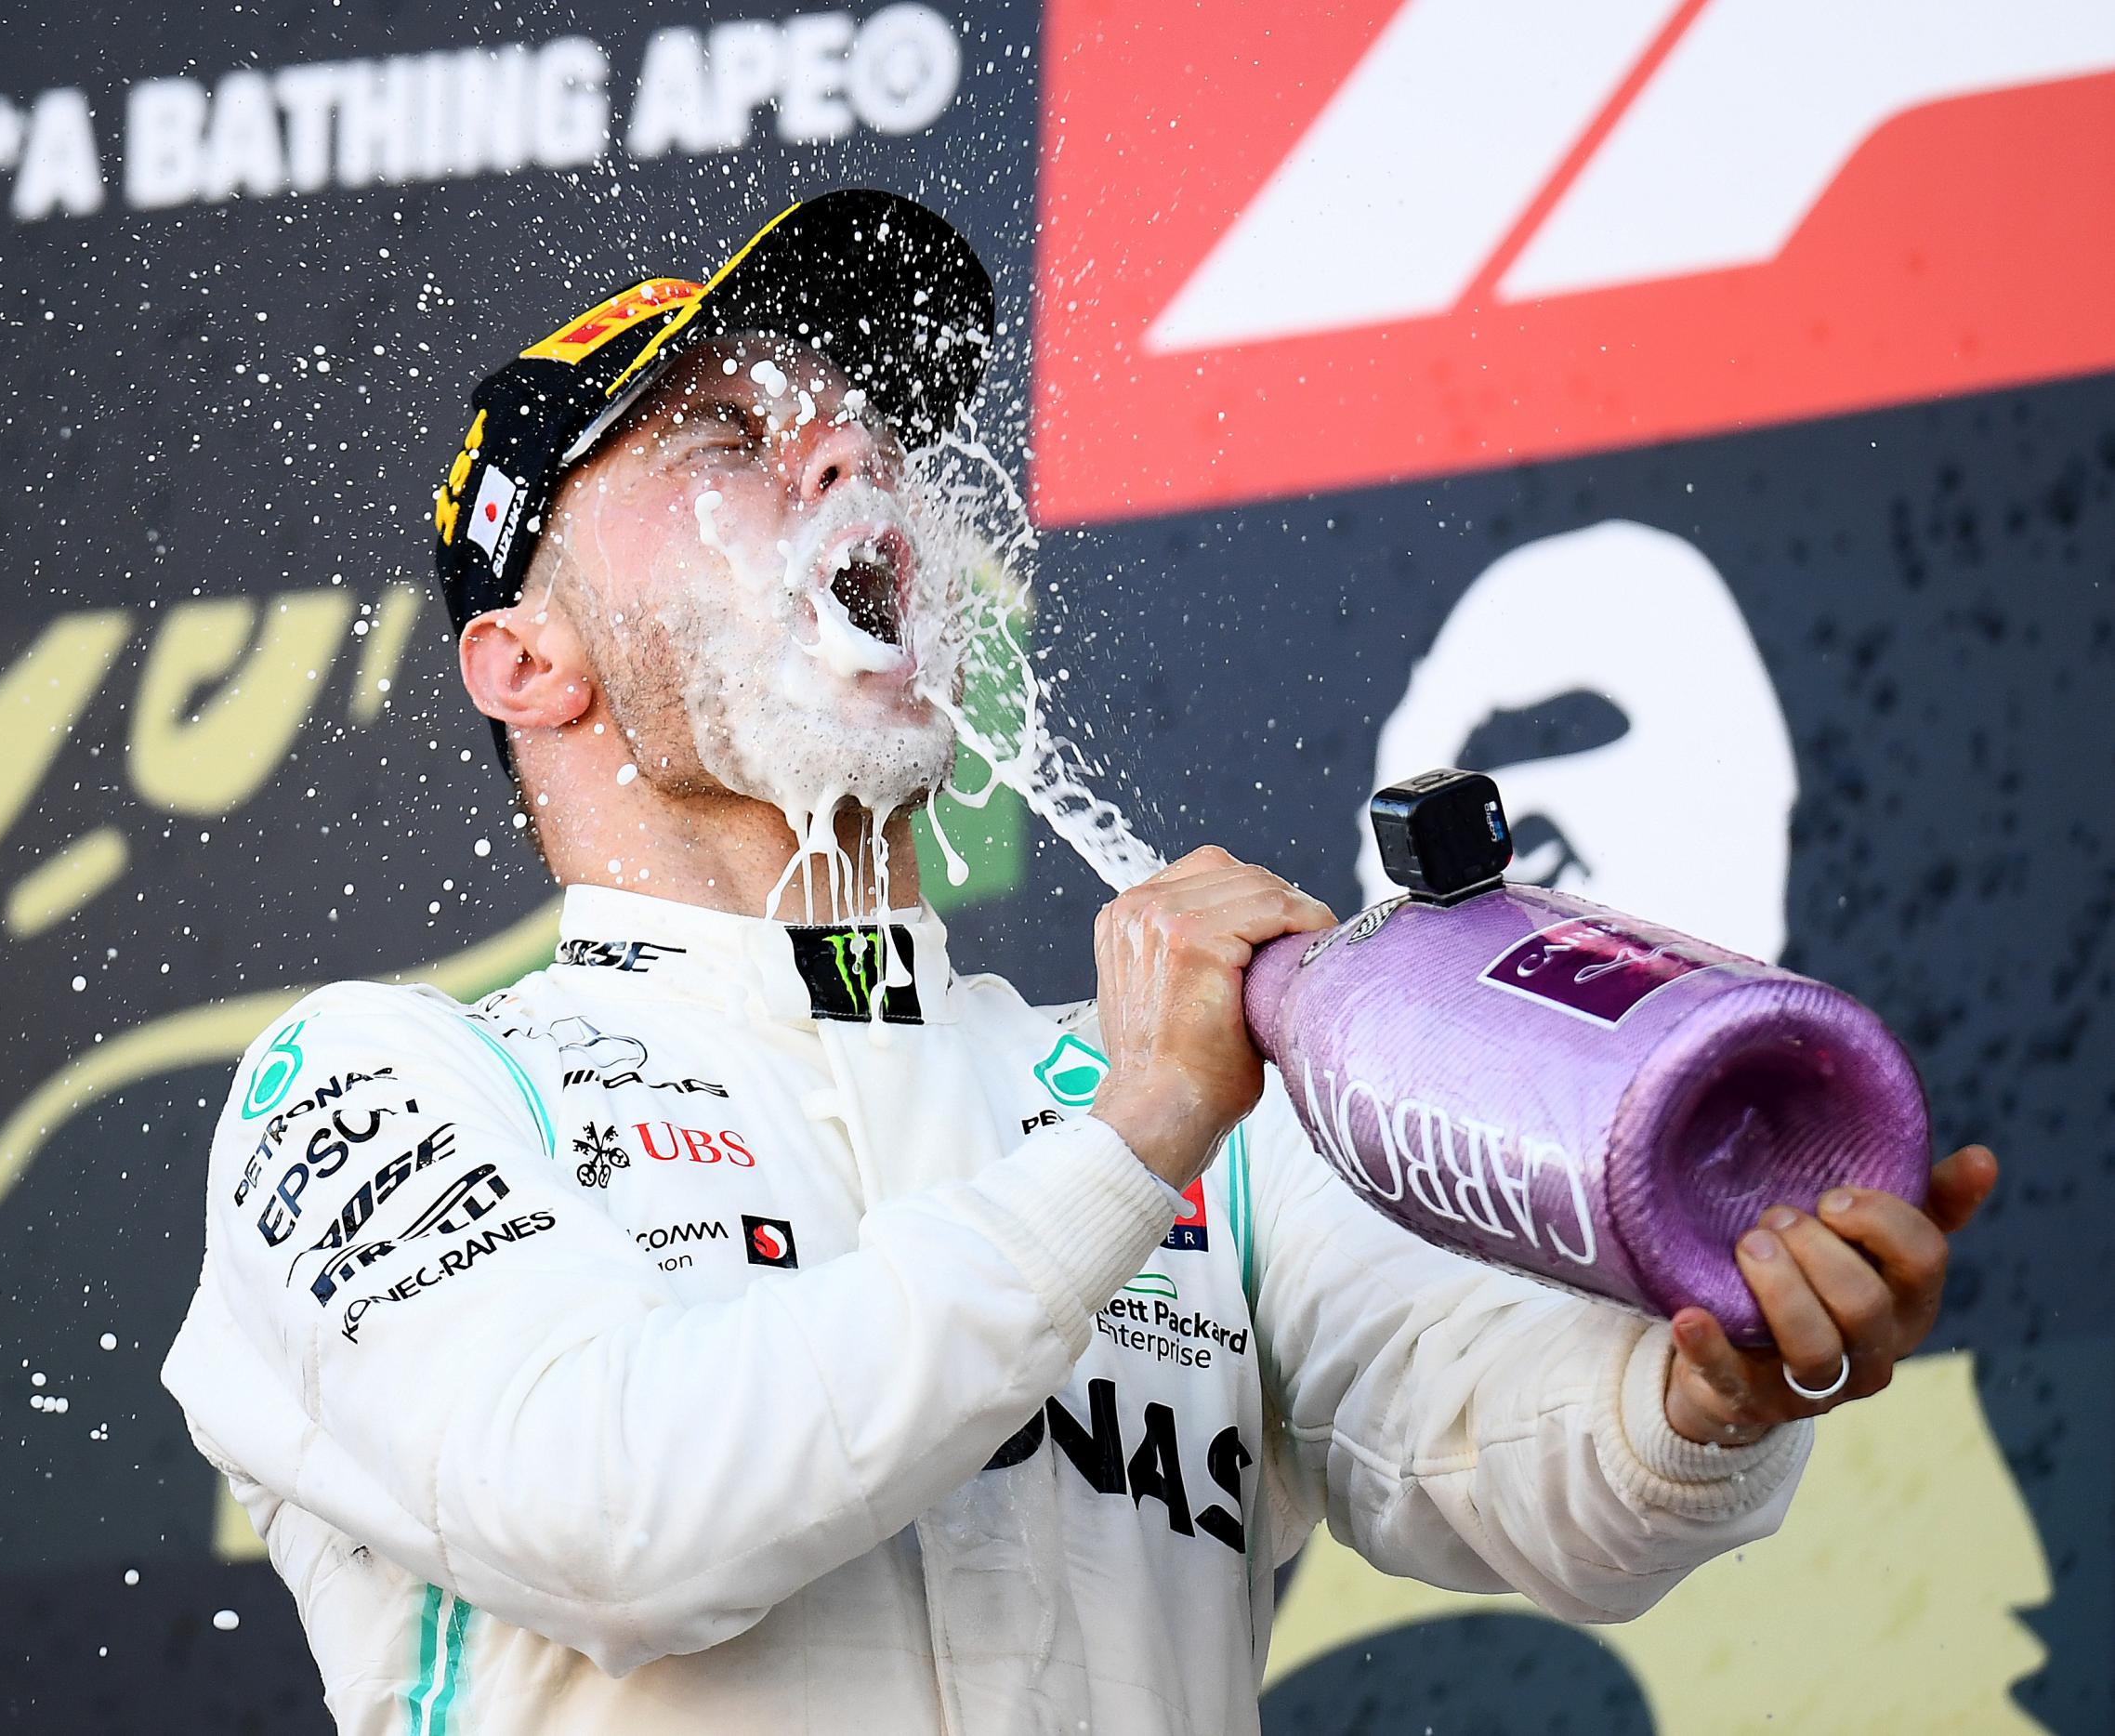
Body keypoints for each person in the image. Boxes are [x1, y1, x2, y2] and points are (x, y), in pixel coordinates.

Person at [163, 190, 1998, 1736]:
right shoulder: (382, 1087)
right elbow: (627, 1520)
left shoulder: (1144, 1095)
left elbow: (1514, 1477)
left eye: (855, 429)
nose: (838, 457)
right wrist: (1124, 1146)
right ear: (526, 664)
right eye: (724, 438)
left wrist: (1710, 1392)